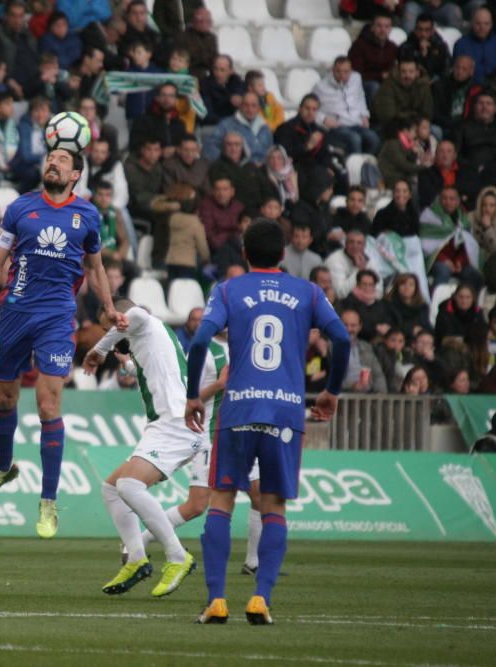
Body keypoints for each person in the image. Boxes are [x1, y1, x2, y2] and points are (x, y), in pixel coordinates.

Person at [184, 219, 350, 625]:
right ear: (283, 254)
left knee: (222, 499)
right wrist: (330, 390)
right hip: (285, 412)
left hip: (238, 408)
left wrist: (193, 395)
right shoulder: (308, 291)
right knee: (273, 506)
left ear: (244, 253)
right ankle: (260, 599)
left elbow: (202, 338)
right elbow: (342, 339)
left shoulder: (227, 289)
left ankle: (217, 600)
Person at [0, 147, 126, 539]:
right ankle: (4, 468)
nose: (52, 163)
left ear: (75, 174)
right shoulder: (20, 208)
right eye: (50, 157)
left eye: (62, 160)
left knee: (47, 404)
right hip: (15, 313)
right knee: (6, 399)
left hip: (57, 317)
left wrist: (107, 307)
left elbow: (95, 268)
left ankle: (48, 501)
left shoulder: (87, 215)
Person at [84, 298, 224, 597]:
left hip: (174, 424)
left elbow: (135, 313)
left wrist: (100, 348)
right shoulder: (151, 339)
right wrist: (124, 359)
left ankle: (177, 556)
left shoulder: (143, 321)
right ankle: (136, 558)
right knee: (111, 488)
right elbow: (151, 369)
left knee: (129, 486)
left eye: (111, 327)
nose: (113, 336)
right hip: (167, 425)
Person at [313, 56, 379, 156]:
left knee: (373, 138)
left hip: (356, 123)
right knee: (354, 139)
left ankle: (365, 166)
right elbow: (312, 109)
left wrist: (364, 114)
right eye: (338, 71)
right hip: (337, 126)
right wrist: (324, 119)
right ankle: (354, 169)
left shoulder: (356, 79)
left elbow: (360, 98)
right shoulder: (320, 87)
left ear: (351, 71)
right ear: (332, 71)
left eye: (346, 71)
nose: (342, 75)